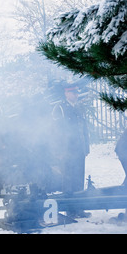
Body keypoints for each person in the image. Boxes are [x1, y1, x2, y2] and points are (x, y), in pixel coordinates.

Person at [52, 82, 90, 218]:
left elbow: (84, 128)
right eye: (73, 92)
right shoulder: (60, 108)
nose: (76, 95)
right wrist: (59, 151)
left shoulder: (79, 107)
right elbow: (56, 132)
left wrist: (86, 146)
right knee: (68, 181)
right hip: (66, 150)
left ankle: (79, 209)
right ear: (66, 93)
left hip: (79, 149)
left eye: (77, 92)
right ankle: (69, 209)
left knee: (79, 179)